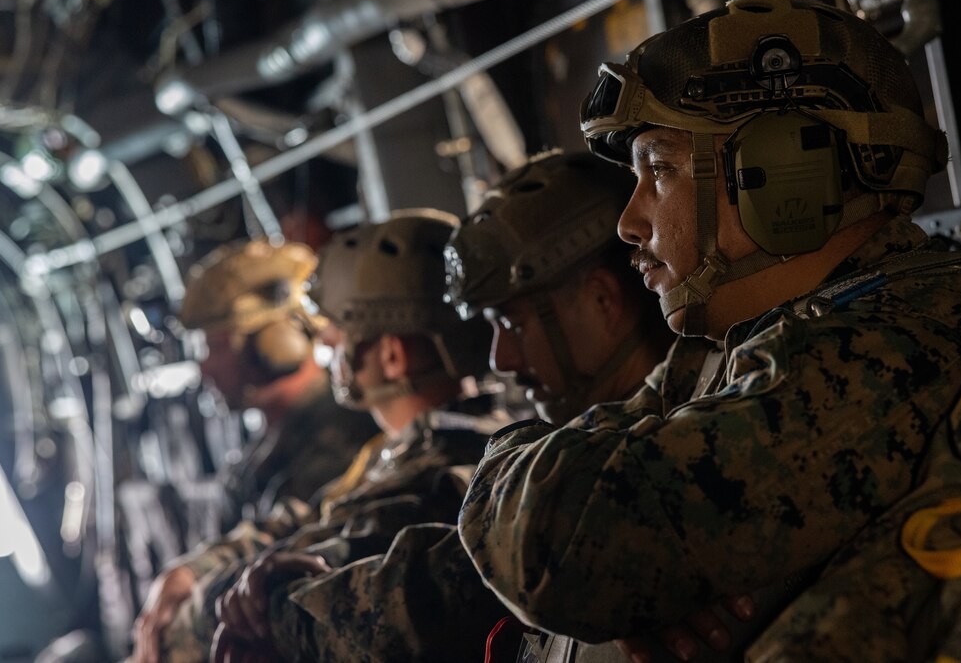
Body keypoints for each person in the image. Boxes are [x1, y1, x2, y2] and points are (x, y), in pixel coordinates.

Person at [457, 0, 961, 661]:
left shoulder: (889, 350)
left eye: (659, 171)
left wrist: (511, 468)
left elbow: (564, 543)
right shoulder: (738, 346)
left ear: (788, 171)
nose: (630, 223)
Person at [212, 151, 683, 663]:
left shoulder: (652, 446)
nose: (500, 359)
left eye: (515, 324)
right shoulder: (598, 442)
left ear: (602, 301)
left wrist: (280, 616)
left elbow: (443, 586)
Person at [164, 210, 503, 662]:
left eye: (342, 335)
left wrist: (239, 594)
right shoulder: (395, 448)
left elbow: (348, 545)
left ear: (392, 356)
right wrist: (198, 572)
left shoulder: (441, 467)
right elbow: (317, 514)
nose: (327, 347)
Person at [179, 239, 378, 517]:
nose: (206, 368)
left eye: (218, 347)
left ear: (276, 345)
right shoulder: (263, 450)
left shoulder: (346, 434)